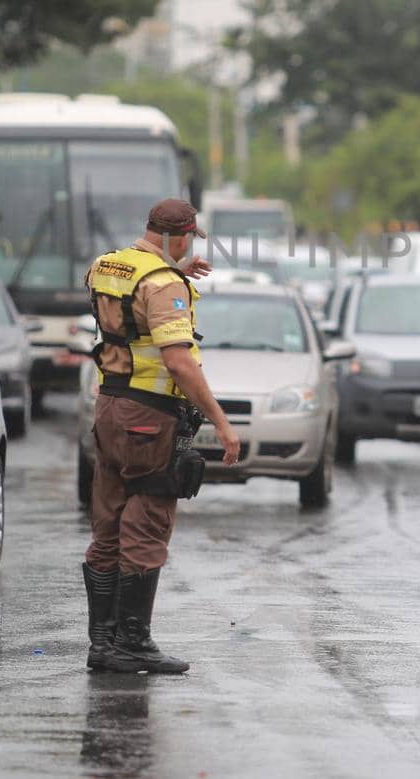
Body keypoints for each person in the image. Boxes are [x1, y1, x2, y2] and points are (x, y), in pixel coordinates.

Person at [81, 199, 239, 675]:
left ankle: (103, 644)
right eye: (188, 239)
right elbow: (178, 361)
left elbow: (128, 308)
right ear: (178, 237)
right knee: (147, 525)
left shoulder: (107, 266)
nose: (190, 247)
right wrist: (221, 421)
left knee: (107, 526)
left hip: (109, 407)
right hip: (148, 419)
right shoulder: (162, 283)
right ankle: (131, 642)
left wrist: (174, 270)